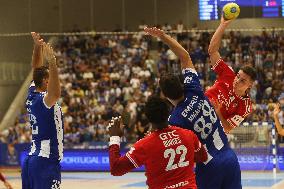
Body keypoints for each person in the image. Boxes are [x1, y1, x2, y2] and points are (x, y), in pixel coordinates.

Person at [144, 27, 241, 189]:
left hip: (210, 166)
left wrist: (152, 135)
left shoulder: (174, 120)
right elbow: (185, 56)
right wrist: (163, 36)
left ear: (165, 96)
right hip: (230, 157)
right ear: (181, 84)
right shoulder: (193, 88)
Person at [108, 96, 208, 189]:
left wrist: (114, 137)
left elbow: (116, 169)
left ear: (148, 117)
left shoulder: (144, 145)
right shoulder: (188, 135)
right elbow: (203, 157)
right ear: (169, 112)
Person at [21, 32, 63, 189]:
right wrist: (52, 62)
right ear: (46, 81)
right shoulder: (44, 101)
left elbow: (36, 69)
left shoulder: (32, 95)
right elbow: (56, 93)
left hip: (32, 160)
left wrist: (37, 47)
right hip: (46, 162)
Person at [207, 17, 257, 133]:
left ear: (250, 85)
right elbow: (212, 51)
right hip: (198, 108)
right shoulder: (228, 74)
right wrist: (222, 25)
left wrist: (218, 111)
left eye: (243, 81)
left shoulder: (245, 106)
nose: (237, 81)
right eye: (238, 76)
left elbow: (228, 128)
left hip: (210, 130)